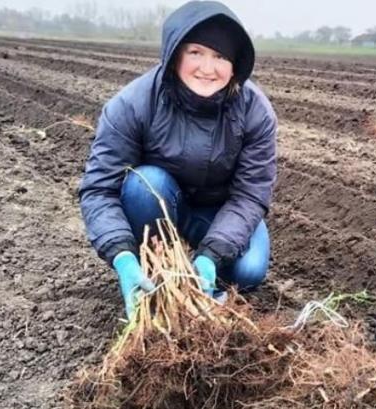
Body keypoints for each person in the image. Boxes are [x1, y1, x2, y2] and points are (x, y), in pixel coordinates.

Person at [79, 1, 277, 320]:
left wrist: (212, 255)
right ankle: (154, 269)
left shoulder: (255, 111)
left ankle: (200, 267)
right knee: (146, 184)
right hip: (158, 205)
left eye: (221, 56)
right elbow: (99, 190)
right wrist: (122, 256)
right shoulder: (133, 104)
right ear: (175, 54)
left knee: (249, 271)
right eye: (196, 52)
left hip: (219, 211)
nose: (208, 68)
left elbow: (250, 195)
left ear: (235, 64)